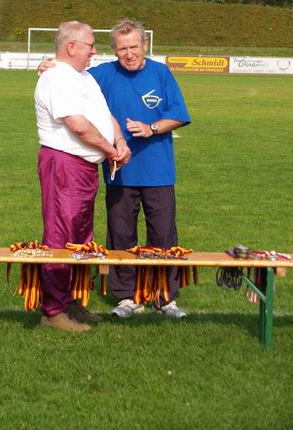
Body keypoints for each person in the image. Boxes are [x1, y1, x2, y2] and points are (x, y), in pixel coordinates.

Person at [38, 19, 191, 319]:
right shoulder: (102, 74)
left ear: (145, 44)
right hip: (119, 172)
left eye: (134, 46)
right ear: (115, 50)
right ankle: (126, 296)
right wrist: (47, 64)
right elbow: (68, 70)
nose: (129, 54)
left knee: (163, 234)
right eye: (122, 49)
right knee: (121, 235)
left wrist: (151, 128)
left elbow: (179, 114)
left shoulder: (161, 73)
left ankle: (165, 297)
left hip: (158, 170)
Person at [34, 21, 131, 332]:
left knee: (80, 236)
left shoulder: (84, 77)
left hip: (85, 168)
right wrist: (111, 151)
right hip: (64, 165)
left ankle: (70, 301)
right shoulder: (55, 78)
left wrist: (119, 140)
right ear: (71, 46)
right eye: (90, 44)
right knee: (60, 235)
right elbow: (78, 125)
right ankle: (52, 310)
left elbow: (104, 115)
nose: (94, 50)